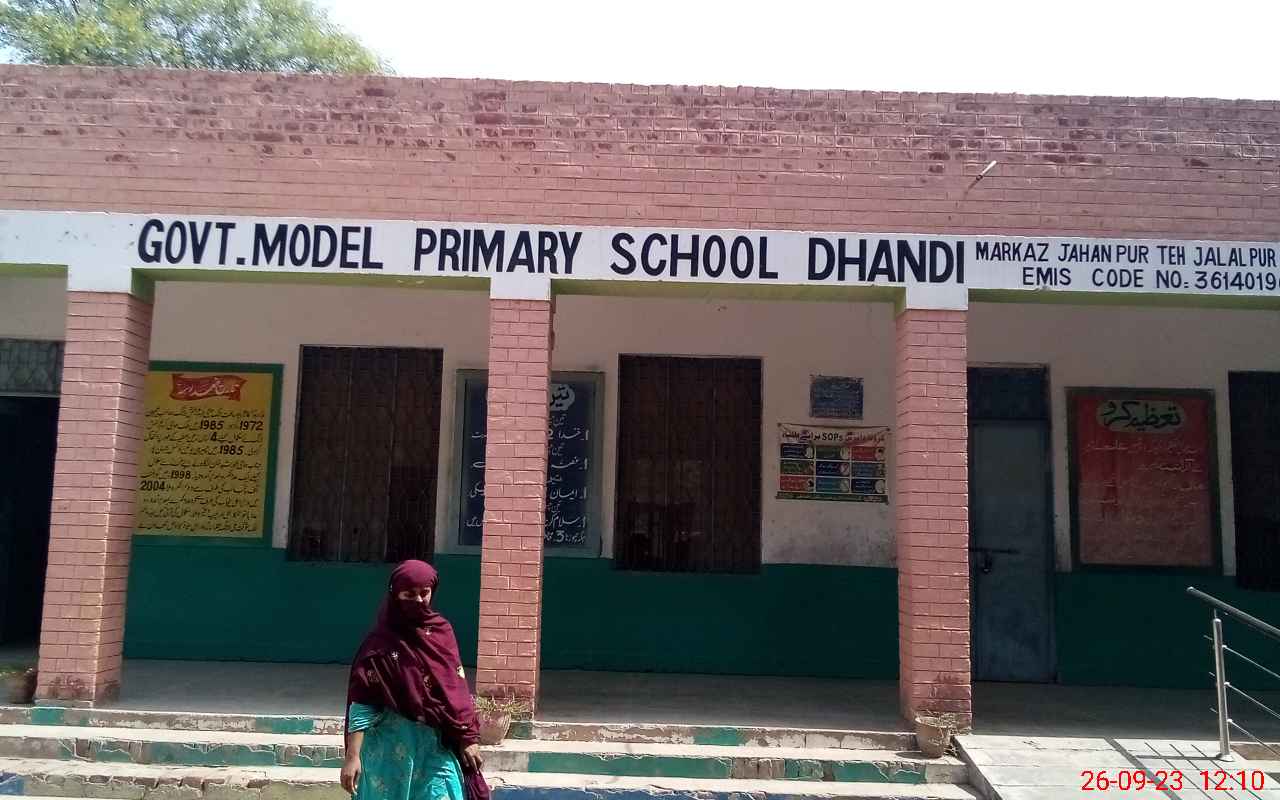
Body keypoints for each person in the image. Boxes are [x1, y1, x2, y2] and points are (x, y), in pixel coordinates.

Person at [341, 560, 489, 800]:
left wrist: (467, 738)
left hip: (434, 749)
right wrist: (352, 756)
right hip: (387, 755)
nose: (419, 600)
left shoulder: (441, 633)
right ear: (395, 594)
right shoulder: (379, 644)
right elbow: (362, 704)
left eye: (424, 593)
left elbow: (456, 690)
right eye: (409, 594)